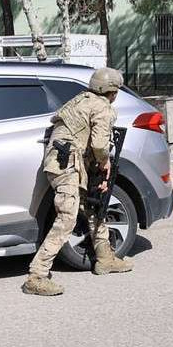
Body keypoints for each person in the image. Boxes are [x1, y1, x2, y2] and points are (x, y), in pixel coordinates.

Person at [22, 67, 134, 296]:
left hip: (66, 162)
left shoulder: (79, 100)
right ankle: (37, 275)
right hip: (68, 165)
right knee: (67, 218)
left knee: (93, 206)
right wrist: (105, 164)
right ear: (112, 91)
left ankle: (104, 257)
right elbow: (101, 145)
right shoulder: (103, 107)